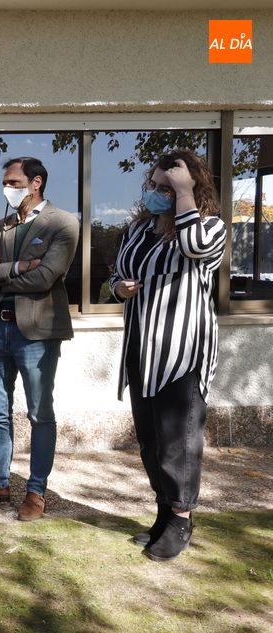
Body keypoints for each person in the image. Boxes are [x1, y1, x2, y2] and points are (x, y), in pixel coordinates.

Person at [110, 150, 225, 562]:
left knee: (179, 441)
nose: (158, 193)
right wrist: (119, 288)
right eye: (156, 186)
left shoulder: (209, 226)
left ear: (192, 188)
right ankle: (163, 510)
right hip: (142, 348)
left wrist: (184, 197)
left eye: (168, 187)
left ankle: (181, 516)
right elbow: (117, 271)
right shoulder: (139, 230)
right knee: (150, 439)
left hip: (182, 352)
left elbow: (196, 248)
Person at [0, 156, 79, 521]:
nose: (7, 189)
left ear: (36, 182)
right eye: (6, 183)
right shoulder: (1, 226)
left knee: (40, 413)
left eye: (13, 182)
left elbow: (45, 279)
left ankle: (36, 491)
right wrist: (15, 267)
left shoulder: (63, 223)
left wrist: (1, 275)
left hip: (37, 333)